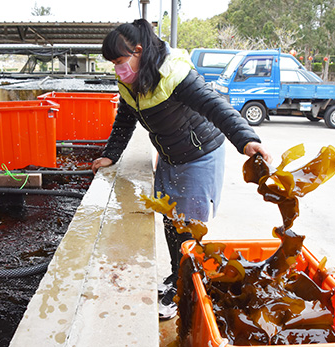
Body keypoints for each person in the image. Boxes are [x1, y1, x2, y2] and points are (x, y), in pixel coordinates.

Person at [91, 19, 272, 320]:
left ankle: (184, 291)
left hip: (199, 155)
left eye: (119, 61)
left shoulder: (175, 74)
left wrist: (246, 140)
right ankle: (177, 274)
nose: (116, 69)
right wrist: (111, 155)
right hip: (170, 155)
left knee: (187, 228)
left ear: (138, 51)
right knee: (170, 221)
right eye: (112, 63)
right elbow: (125, 119)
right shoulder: (130, 80)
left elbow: (215, 106)